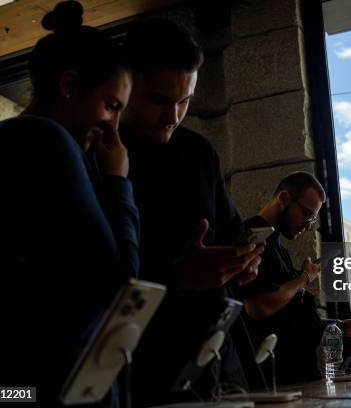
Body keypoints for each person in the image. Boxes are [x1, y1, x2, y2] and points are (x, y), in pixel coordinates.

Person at [0, 1, 137, 406]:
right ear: (69, 86)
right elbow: (120, 288)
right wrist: (118, 182)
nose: (113, 126)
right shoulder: (47, 141)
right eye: (111, 105)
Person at [120, 19, 263, 406]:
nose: (174, 116)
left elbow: (233, 230)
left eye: (185, 101)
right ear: (125, 83)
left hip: (216, 352)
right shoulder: (102, 151)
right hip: (140, 363)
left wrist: (245, 260)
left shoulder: (199, 151)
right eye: (159, 100)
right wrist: (175, 275)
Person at [234, 172, 351, 388]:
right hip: (276, 382)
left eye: (312, 219)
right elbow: (259, 306)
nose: (309, 225)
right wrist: (304, 277)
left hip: (297, 379)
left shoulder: (279, 247)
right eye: (306, 214)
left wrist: (337, 326)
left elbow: (286, 315)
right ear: (283, 198)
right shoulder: (253, 238)